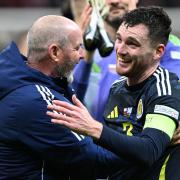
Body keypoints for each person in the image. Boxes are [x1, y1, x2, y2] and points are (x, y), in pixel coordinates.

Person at [47, 7, 180, 179]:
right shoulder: (117, 88)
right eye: (119, 39)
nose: (120, 50)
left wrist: (94, 128)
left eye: (132, 43)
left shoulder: (165, 89)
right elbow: (110, 153)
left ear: (158, 51)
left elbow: (148, 151)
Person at [0, 15, 131, 179]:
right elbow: (94, 161)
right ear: (55, 52)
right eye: (77, 48)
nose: (82, 55)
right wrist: (150, 144)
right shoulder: (37, 101)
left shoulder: (23, 81)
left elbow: (71, 98)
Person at [72, 0, 180, 122]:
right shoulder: (89, 50)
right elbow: (72, 100)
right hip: (100, 137)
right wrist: (86, 49)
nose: (114, 1)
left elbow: (174, 93)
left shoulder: (164, 43)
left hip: (145, 135)